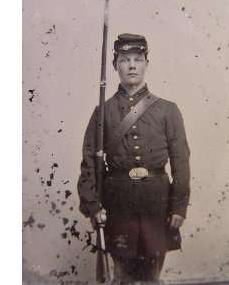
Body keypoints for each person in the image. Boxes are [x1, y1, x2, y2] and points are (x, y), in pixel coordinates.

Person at [77, 33, 191, 283]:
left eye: (137, 59)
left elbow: (181, 162)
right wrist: (93, 206)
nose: (131, 65)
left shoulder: (168, 110)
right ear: (116, 65)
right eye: (124, 59)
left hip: (157, 204)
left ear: (146, 64)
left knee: (152, 276)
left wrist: (179, 206)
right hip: (118, 205)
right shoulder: (102, 112)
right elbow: (88, 164)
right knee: (122, 277)